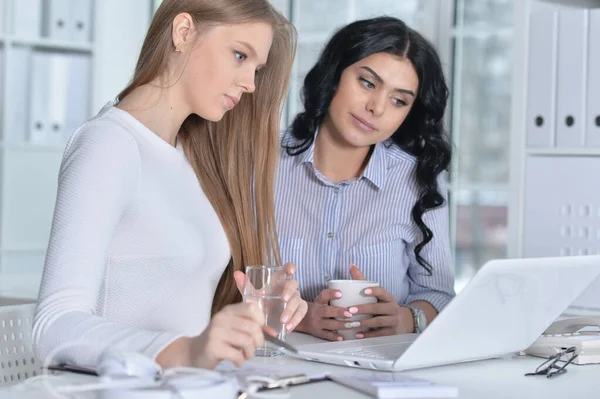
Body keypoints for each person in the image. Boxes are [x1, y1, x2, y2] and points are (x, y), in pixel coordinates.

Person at [32, 0, 306, 370]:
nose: (250, 84)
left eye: (256, 68)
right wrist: (187, 352)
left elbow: (179, 306)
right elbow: (54, 327)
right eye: (240, 56)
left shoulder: (192, 158)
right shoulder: (110, 144)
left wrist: (254, 316)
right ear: (183, 32)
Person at [276, 16, 455, 342]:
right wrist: (303, 318)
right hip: (277, 370)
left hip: (379, 372)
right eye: (368, 83)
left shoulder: (417, 180)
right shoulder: (261, 163)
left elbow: (439, 295)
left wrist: (405, 318)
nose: (376, 107)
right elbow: (226, 287)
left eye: (398, 100)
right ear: (334, 75)